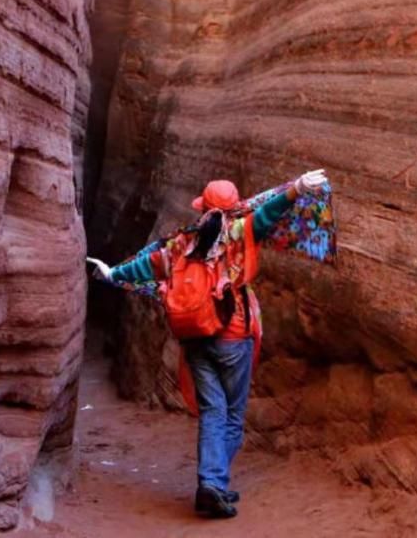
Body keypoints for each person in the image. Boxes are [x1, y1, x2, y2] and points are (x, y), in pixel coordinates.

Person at [87, 169, 330, 519]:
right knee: (231, 414)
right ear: (234, 209)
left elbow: (145, 266)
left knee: (213, 413)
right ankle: (212, 484)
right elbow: (267, 214)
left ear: (202, 209)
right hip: (234, 336)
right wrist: (296, 189)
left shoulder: (181, 242)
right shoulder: (237, 233)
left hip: (194, 339)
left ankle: (211, 483)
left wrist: (111, 274)